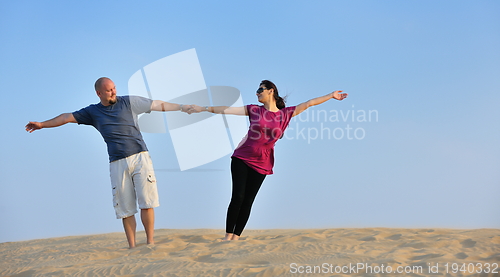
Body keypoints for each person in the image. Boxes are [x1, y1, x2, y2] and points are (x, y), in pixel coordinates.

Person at [25, 77, 193, 249]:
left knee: (147, 202)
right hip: (117, 163)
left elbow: (155, 104)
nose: (113, 92)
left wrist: (180, 107)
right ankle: (132, 247)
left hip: (140, 157)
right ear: (99, 93)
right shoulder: (92, 112)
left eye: (114, 88)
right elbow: (66, 117)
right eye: (109, 90)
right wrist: (42, 124)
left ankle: (150, 243)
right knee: (125, 209)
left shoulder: (129, 102)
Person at [190, 80, 348, 240]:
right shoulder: (254, 110)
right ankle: (227, 237)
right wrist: (202, 108)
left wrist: (331, 95)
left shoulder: (285, 114)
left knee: (248, 200)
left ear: (271, 91)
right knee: (237, 196)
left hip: (262, 163)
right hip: (242, 157)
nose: (257, 93)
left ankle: (236, 238)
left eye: (260, 89)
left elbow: (309, 103)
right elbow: (227, 110)